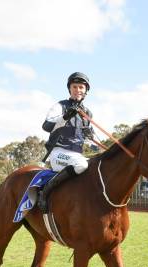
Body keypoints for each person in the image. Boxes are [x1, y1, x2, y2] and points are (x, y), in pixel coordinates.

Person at [38, 72, 97, 212]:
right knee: (82, 165)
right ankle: (45, 192)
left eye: (81, 87)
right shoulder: (60, 106)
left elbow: (90, 141)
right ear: (69, 89)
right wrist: (64, 117)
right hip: (58, 153)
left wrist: (91, 136)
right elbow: (46, 126)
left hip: (76, 154)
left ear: (86, 91)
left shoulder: (88, 113)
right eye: (75, 87)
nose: (78, 90)